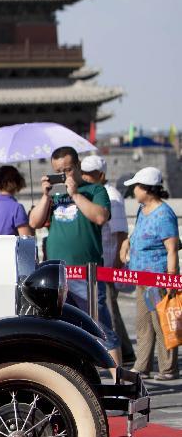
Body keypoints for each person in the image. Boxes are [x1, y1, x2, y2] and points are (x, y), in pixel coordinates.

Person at [29, 146, 121, 364]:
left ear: (78, 166)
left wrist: (75, 194)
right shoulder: (54, 195)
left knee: (101, 328)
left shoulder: (95, 190)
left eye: (68, 170)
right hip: (56, 274)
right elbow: (34, 222)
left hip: (86, 273)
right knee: (62, 329)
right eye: (58, 171)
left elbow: (100, 217)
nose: (64, 175)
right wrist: (45, 196)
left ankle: (120, 383)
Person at [119, 167, 179, 380]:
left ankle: (167, 369)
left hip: (157, 279)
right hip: (141, 279)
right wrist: (127, 243)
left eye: (136, 187)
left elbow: (172, 249)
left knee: (161, 322)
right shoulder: (142, 210)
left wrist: (171, 279)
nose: (133, 191)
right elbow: (137, 234)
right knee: (143, 322)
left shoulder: (164, 214)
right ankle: (142, 365)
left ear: (146, 189)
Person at [80, 154, 134, 362]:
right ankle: (125, 351)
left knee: (108, 315)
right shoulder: (91, 193)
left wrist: (117, 267)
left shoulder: (111, 196)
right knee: (108, 313)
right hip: (98, 265)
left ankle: (121, 354)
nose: (85, 176)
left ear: (100, 175)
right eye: (83, 172)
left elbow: (121, 234)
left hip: (107, 264)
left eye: (90, 174)